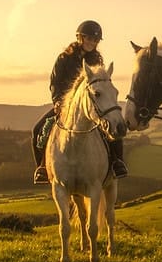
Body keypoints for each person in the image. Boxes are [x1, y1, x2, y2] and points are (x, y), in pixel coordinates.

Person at [31, 19, 129, 184]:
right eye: (89, 38)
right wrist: (57, 101)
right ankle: (42, 168)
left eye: (95, 40)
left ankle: (116, 162)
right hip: (65, 105)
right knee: (38, 130)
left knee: (112, 127)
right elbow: (55, 82)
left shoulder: (96, 61)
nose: (91, 42)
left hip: (89, 106)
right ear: (80, 38)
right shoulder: (64, 58)